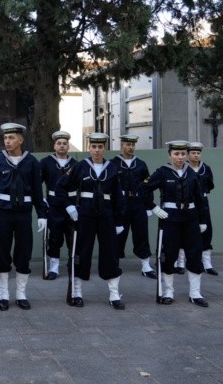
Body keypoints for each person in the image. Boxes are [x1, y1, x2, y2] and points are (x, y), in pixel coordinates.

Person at [57, 132, 126, 310]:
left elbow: (118, 197)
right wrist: (69, 207)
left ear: (104, 148)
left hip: (107, 216)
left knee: (111, 254)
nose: (97, 150)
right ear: (89, 148)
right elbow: (60, 187)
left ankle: (114, 294)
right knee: (82, 253)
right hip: (85, 216)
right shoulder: (80, 167)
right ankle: (77, 293)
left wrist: (119, 221)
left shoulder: (112, 168)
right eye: (93, 147)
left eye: (100, 147)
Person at [0, 123, 48, 311]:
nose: (7, 141)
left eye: (11, 138)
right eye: (5, 138)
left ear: (21, 140)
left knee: (23, 253)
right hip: (3, 213)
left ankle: (21, 294)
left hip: (23, 214)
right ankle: (3, 295)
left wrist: (42, 214)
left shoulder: (31, 162)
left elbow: (37, 191)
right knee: (2, 253)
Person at [141, 141, 209, 307]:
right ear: (169, 155)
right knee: (168, 255)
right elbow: (142, 190)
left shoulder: (192, 174)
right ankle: (168, 291)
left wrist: (202, 220)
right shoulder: (162, 172)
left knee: (194, 254)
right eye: (176, 154)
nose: (180, 157)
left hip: (190, 219)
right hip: (170, 219)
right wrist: (154, 207)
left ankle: (195, 293)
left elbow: (200, 199)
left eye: (183, 154)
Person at [113, 134, 157, 279]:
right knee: (119, 234)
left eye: (132, 145)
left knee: (141, 234)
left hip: (138, 203)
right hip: (122, 204)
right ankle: (114, 263)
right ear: (122, 146)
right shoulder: (114, 163)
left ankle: (145, 265)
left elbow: (148, 185)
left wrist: (148, 206)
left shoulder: (141, 164)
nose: (130, 147)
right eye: (127, 144)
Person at [39, 130, 77, 280]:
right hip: (54, 205)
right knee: (54, 237)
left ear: (68, 146)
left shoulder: (75, 164)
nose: (62, 146)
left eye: (64, 144)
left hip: (71, 205)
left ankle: (72, 263)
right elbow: (37, 184)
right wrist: (42, 200)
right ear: (54, 146)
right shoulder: (46, 162)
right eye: (59, 143)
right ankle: (54, 267)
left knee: (72, 236)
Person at [182, 142, 218, 275]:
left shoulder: (205, 168)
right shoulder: (183, 168)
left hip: (202, 201)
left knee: (206, 230)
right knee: (184, 230)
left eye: (198, 153)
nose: (196, 155)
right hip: (187, 202)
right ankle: (181, 262)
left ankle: (207, 263)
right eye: (193, 153)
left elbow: (210, 184)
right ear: (188, 154)